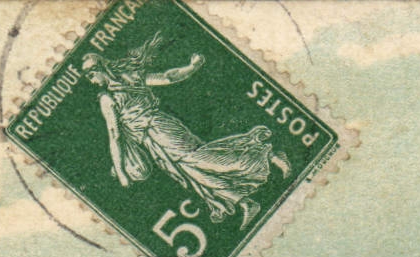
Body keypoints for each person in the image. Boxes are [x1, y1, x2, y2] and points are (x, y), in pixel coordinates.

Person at [82, 37, 288, 229]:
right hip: (153, 141)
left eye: (91, 74)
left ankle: (267, 155)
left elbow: (115, 136)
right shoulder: (121, 85)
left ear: (100, 68)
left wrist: (121, 173)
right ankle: (245, 202)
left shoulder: (109, 97)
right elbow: (166, 78)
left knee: (199, 160)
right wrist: (192, 67)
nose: (91, 80)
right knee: (192, 172)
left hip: (159, 129)